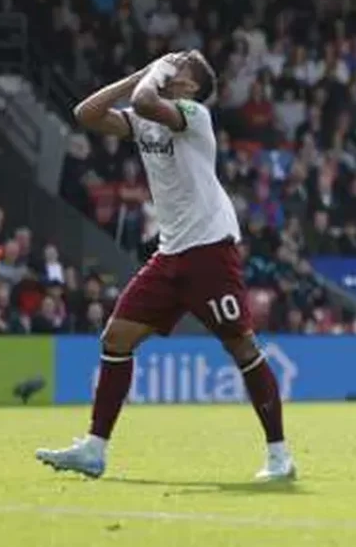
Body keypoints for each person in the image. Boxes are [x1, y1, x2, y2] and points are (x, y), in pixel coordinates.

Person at [35, 51, 296, 481]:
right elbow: (86, 113)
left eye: (183, 65)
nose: (175, 63)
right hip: (170, 251)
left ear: (191, 85)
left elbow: (142, 102)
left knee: (242, 347)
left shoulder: (194, 114)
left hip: (210, 247)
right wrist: (141, 71)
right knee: (116, 338)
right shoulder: (147, 115)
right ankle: (94, 449)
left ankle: (280, 456)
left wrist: (155, 71)